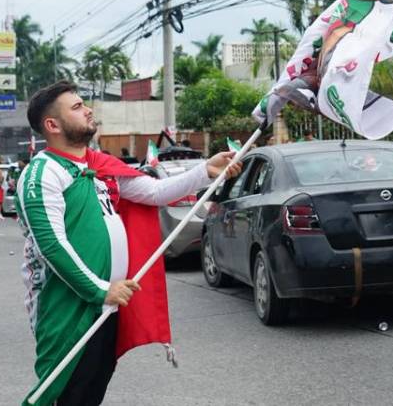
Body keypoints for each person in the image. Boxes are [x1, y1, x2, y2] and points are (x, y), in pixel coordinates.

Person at [17, 81, 243, 405]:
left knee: (90, 393)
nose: (88, 109)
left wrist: (206, 170)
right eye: (77, 107)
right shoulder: (43, 174)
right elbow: (52, 246)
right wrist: (100, 290)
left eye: (84, 104)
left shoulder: (98, 167)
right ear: (52, 125)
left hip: (106, 306)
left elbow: (153, 192)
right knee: (62, 393)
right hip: (68, 308)